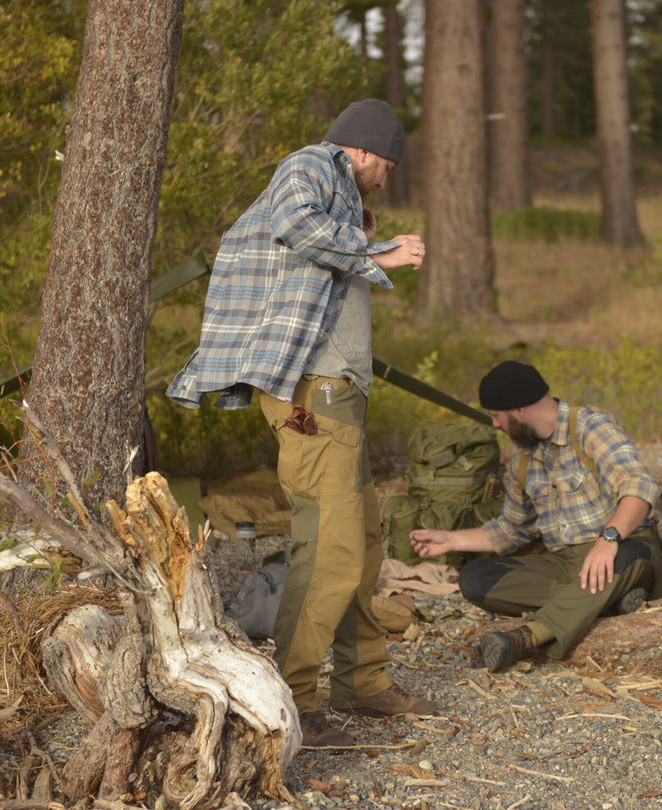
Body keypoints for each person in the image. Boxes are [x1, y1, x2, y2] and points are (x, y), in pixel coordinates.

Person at [167, 99, 434, 747]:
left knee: (361, 544)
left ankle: (363, 681)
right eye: (388, 166)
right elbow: (293, 220)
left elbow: (313, 252)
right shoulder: (312, 164)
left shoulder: (337, 191)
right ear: (365, 150)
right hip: (314, 397)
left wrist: (362, 234)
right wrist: (379, 251)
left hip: (336, 396)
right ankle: (298, 700)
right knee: (333, 552)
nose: (387, 179)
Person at [410, 361, 662, 672]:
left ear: (518, 410)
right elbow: (510, 529)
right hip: (566, 563)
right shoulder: (523, 458)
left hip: (624, 547)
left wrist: (609, 538)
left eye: (496, 416)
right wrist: (450, 540)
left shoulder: (591, 426)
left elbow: (639, 486)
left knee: (622, 558)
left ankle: (525, 638)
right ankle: (608, 600)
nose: (495, 425)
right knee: (475, 579)